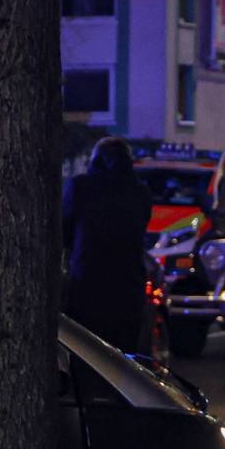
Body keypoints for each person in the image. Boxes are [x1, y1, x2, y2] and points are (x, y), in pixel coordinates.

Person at [60, 136, 154, 354]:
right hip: (128, 289)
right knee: (124, 357)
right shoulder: (140, 193)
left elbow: (65, 231)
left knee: (87, 355)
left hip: (88, 285)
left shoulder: (80, 188)